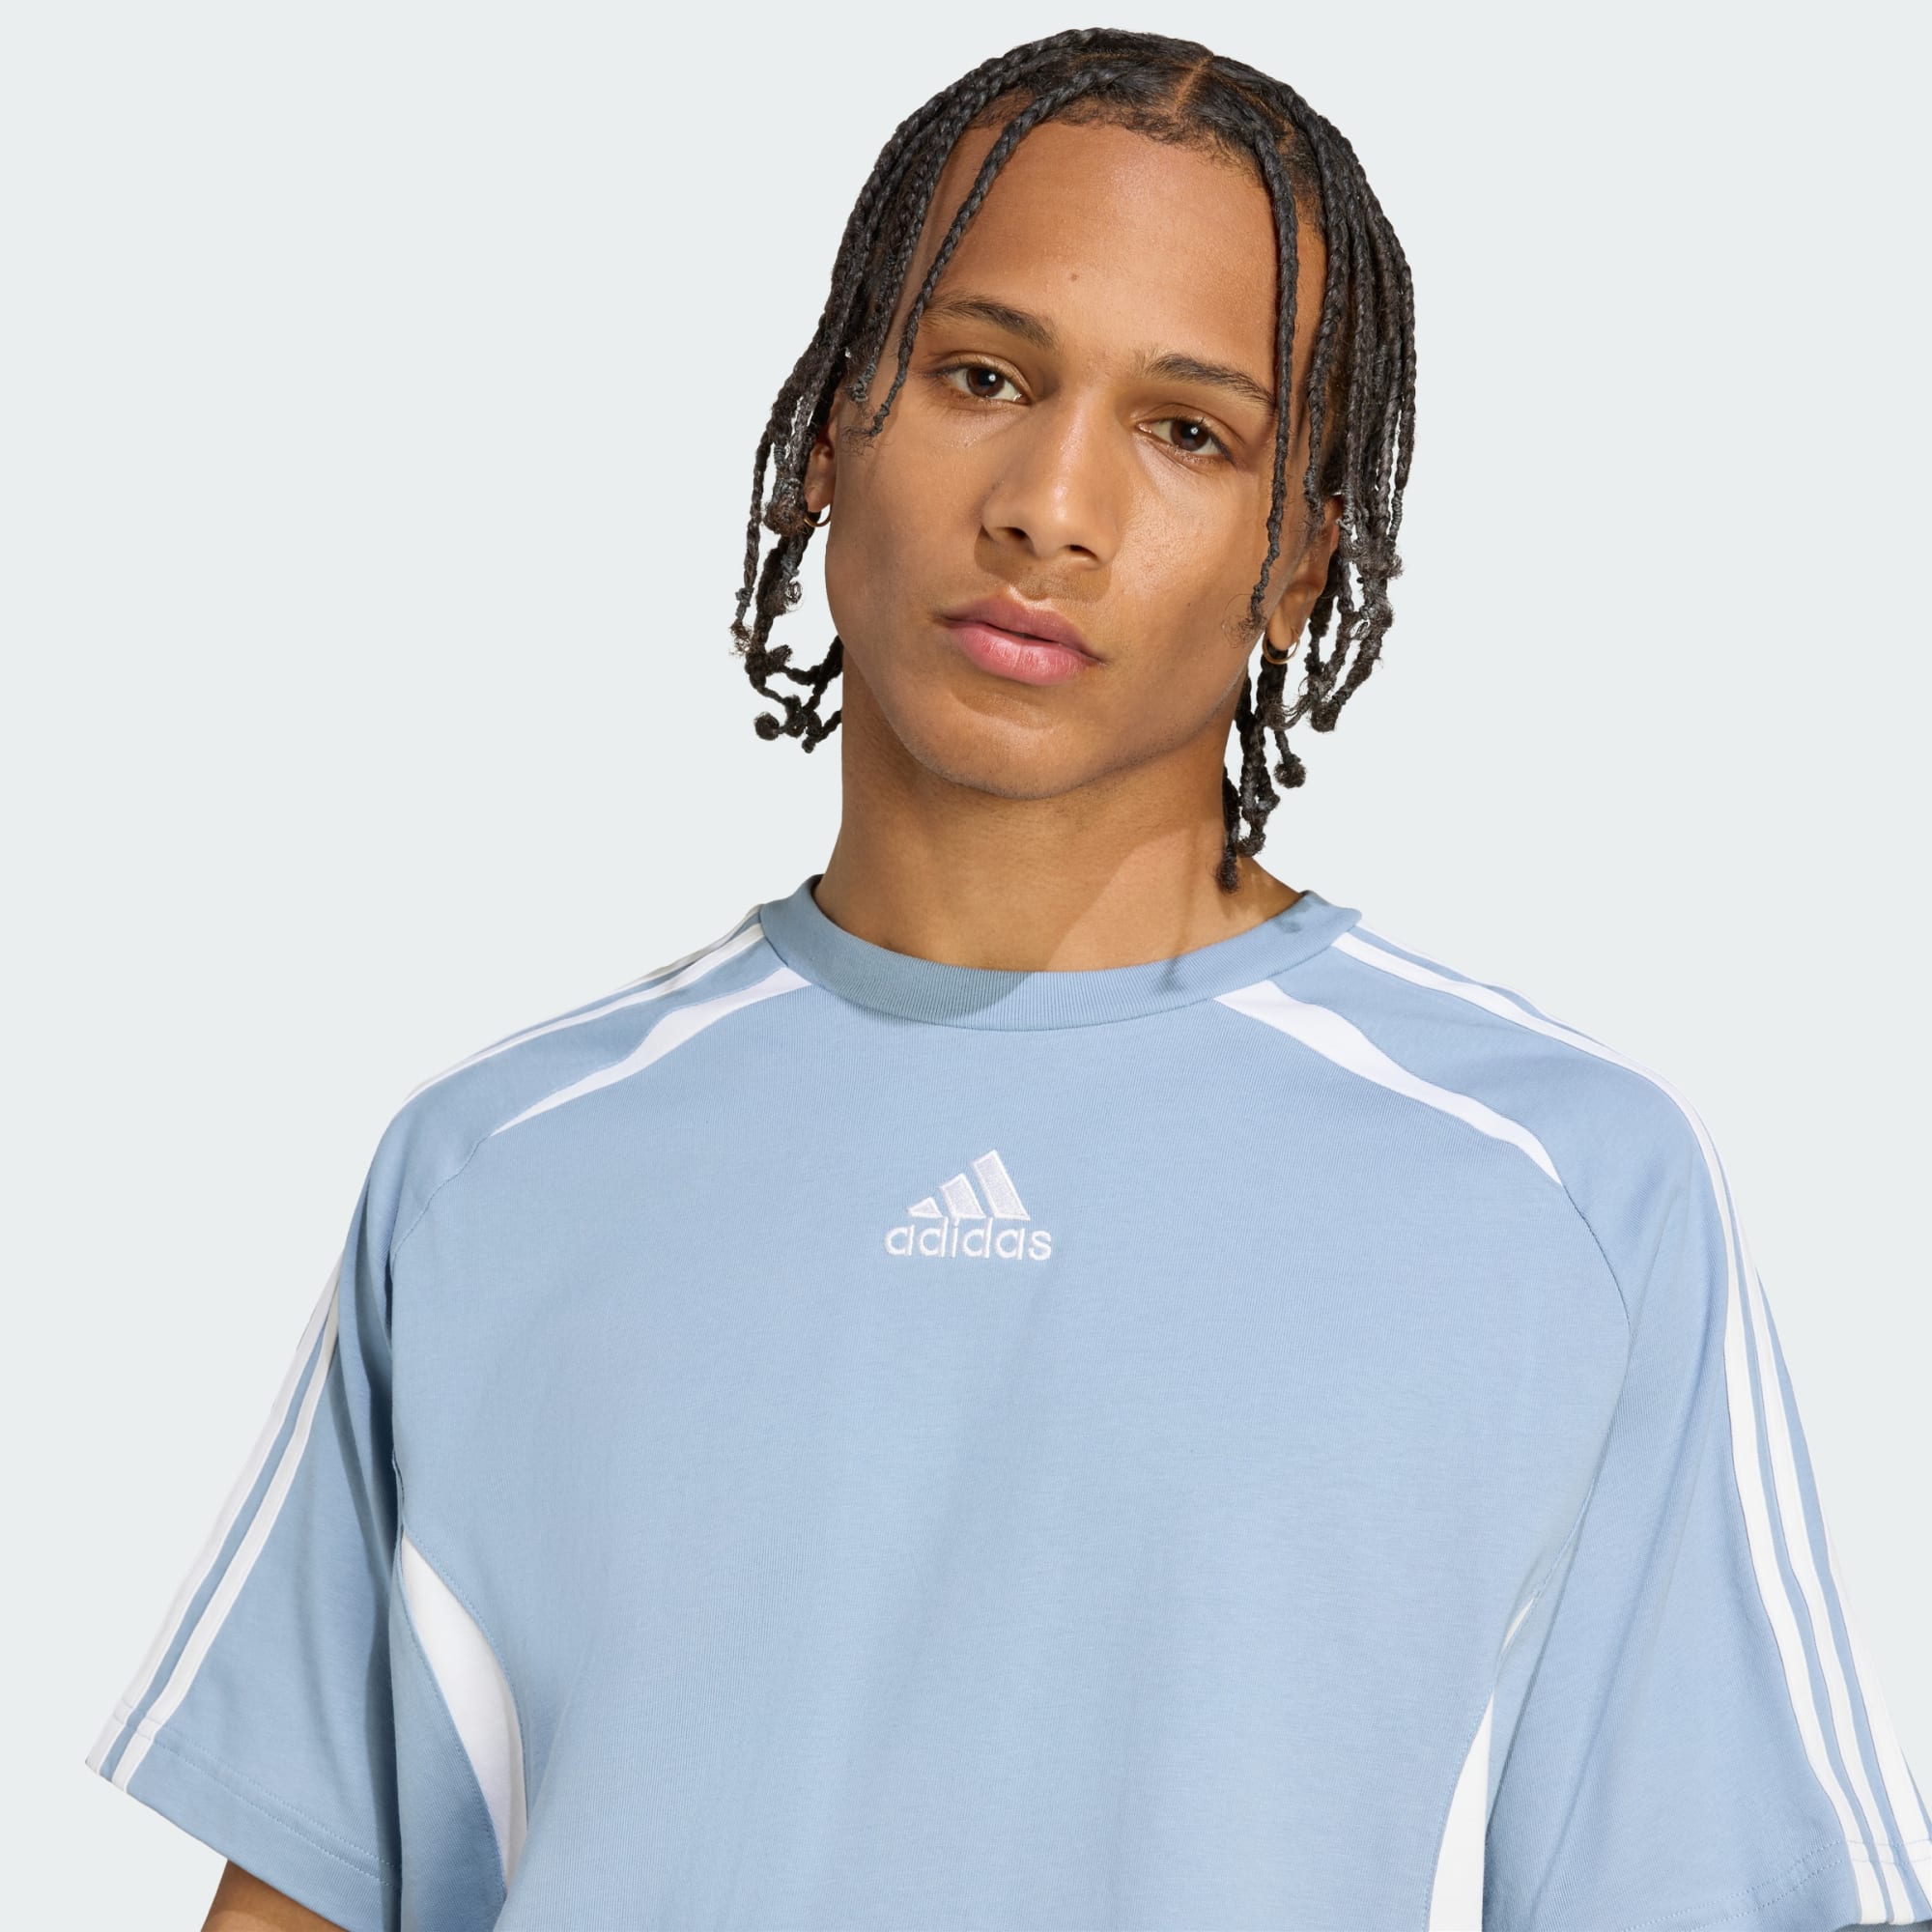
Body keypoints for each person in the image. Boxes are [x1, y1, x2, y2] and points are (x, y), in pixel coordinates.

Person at [84, 26, 1929, 1932]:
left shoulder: (1563, 1193)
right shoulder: (497, 1172)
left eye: (1187, 431)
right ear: (832, 429)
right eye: (983, 376)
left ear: (1303, 555)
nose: (1052, 504)